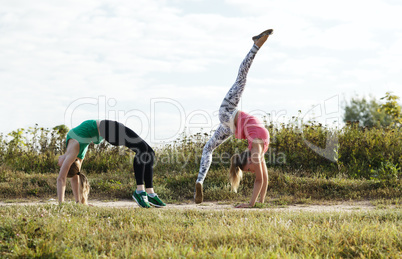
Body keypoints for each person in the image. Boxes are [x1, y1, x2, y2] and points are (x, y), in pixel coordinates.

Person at [194, 29, 273, 208]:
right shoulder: (256, 151)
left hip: (230, 122)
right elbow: (261, 180)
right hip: (229, 114)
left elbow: (263, 179)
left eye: (247, 170)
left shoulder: (257, 151)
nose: (251, 172)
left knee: (208, 148)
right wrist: (253, 205)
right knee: (241, 80)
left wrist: (258, 204)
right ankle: (255, 45)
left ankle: (200, 181)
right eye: (248, 171)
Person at [57, 119, 166, 208]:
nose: (59, 165)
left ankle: (150, 192)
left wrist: (79, 202)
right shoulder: (73, 151)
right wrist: (61, 204)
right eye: (62, 166)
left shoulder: (76, 154)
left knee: (149, 152)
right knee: (142, 149)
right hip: (108, 128)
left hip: (109, 131)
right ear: (68, 163)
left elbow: (75, 177)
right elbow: (61, 178)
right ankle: (139, 191)